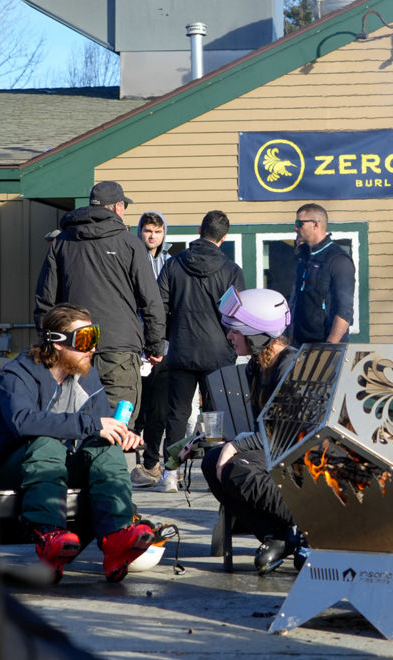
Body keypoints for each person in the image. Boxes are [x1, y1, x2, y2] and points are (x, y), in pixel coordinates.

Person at [0, 303, 156, 583]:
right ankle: (49, 533)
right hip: (9, 468)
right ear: (57, 343)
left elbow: (101, 423)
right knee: (45, 443)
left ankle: (117, 538)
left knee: (105, 449)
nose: (92, 348)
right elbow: (23, 421)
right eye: (85, 340)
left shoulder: (87, 376)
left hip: (57, 467)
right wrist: (93, 425)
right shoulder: (19, 373)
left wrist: (123, 433)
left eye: (94, 338)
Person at [34, 180, 166, 433]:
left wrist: (50, 342)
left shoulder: (62, 242)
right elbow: (150, 300)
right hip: (119, 346)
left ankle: (76, 471)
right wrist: (155, 345)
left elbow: (45, 300)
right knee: (120, 425)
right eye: (124, 206)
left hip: (75, 344)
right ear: (117, 207)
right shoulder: (129, 243)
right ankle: (114, 472)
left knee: (75, 421)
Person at [201, 286, 303, 575]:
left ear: (256, 335)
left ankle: (309, 523)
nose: (230, 337)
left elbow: (284, 431)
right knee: (212, 461)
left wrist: (236, 446)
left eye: (235, 331)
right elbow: (263, 428)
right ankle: (278, 535)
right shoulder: (256, 366)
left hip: (299, 456)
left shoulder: (289, 366)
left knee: (235, 466)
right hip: (275, 450)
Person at [156, 210, 245, 492]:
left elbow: (159, 307)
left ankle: (170, 473)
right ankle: (213, 470)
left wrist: (163, 339)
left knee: (177, 414)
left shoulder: (173, 264)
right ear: (224, 237)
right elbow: (236, 315)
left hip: (182, 348)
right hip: (219, 352)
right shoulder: (231, 270)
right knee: (215, 414)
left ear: (199, 229)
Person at [130, 211, 172, 488]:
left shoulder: (169, 263)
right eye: (148, 230)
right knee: (134, 406)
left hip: (162, 344)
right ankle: (126, 459)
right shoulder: (131, 256)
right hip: (134, 341)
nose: (152, 236)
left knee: (158, 407)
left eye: (157, 231)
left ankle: (151, 461)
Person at [288, 203, 355, 346]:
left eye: (299, 223)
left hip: (325, 345)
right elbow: (295, 303)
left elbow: (345, 311)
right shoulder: (303, 258)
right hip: (299, 345)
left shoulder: (338, 260)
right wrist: (290, 341)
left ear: (315, 225)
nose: (295, 227)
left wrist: (328, 348)